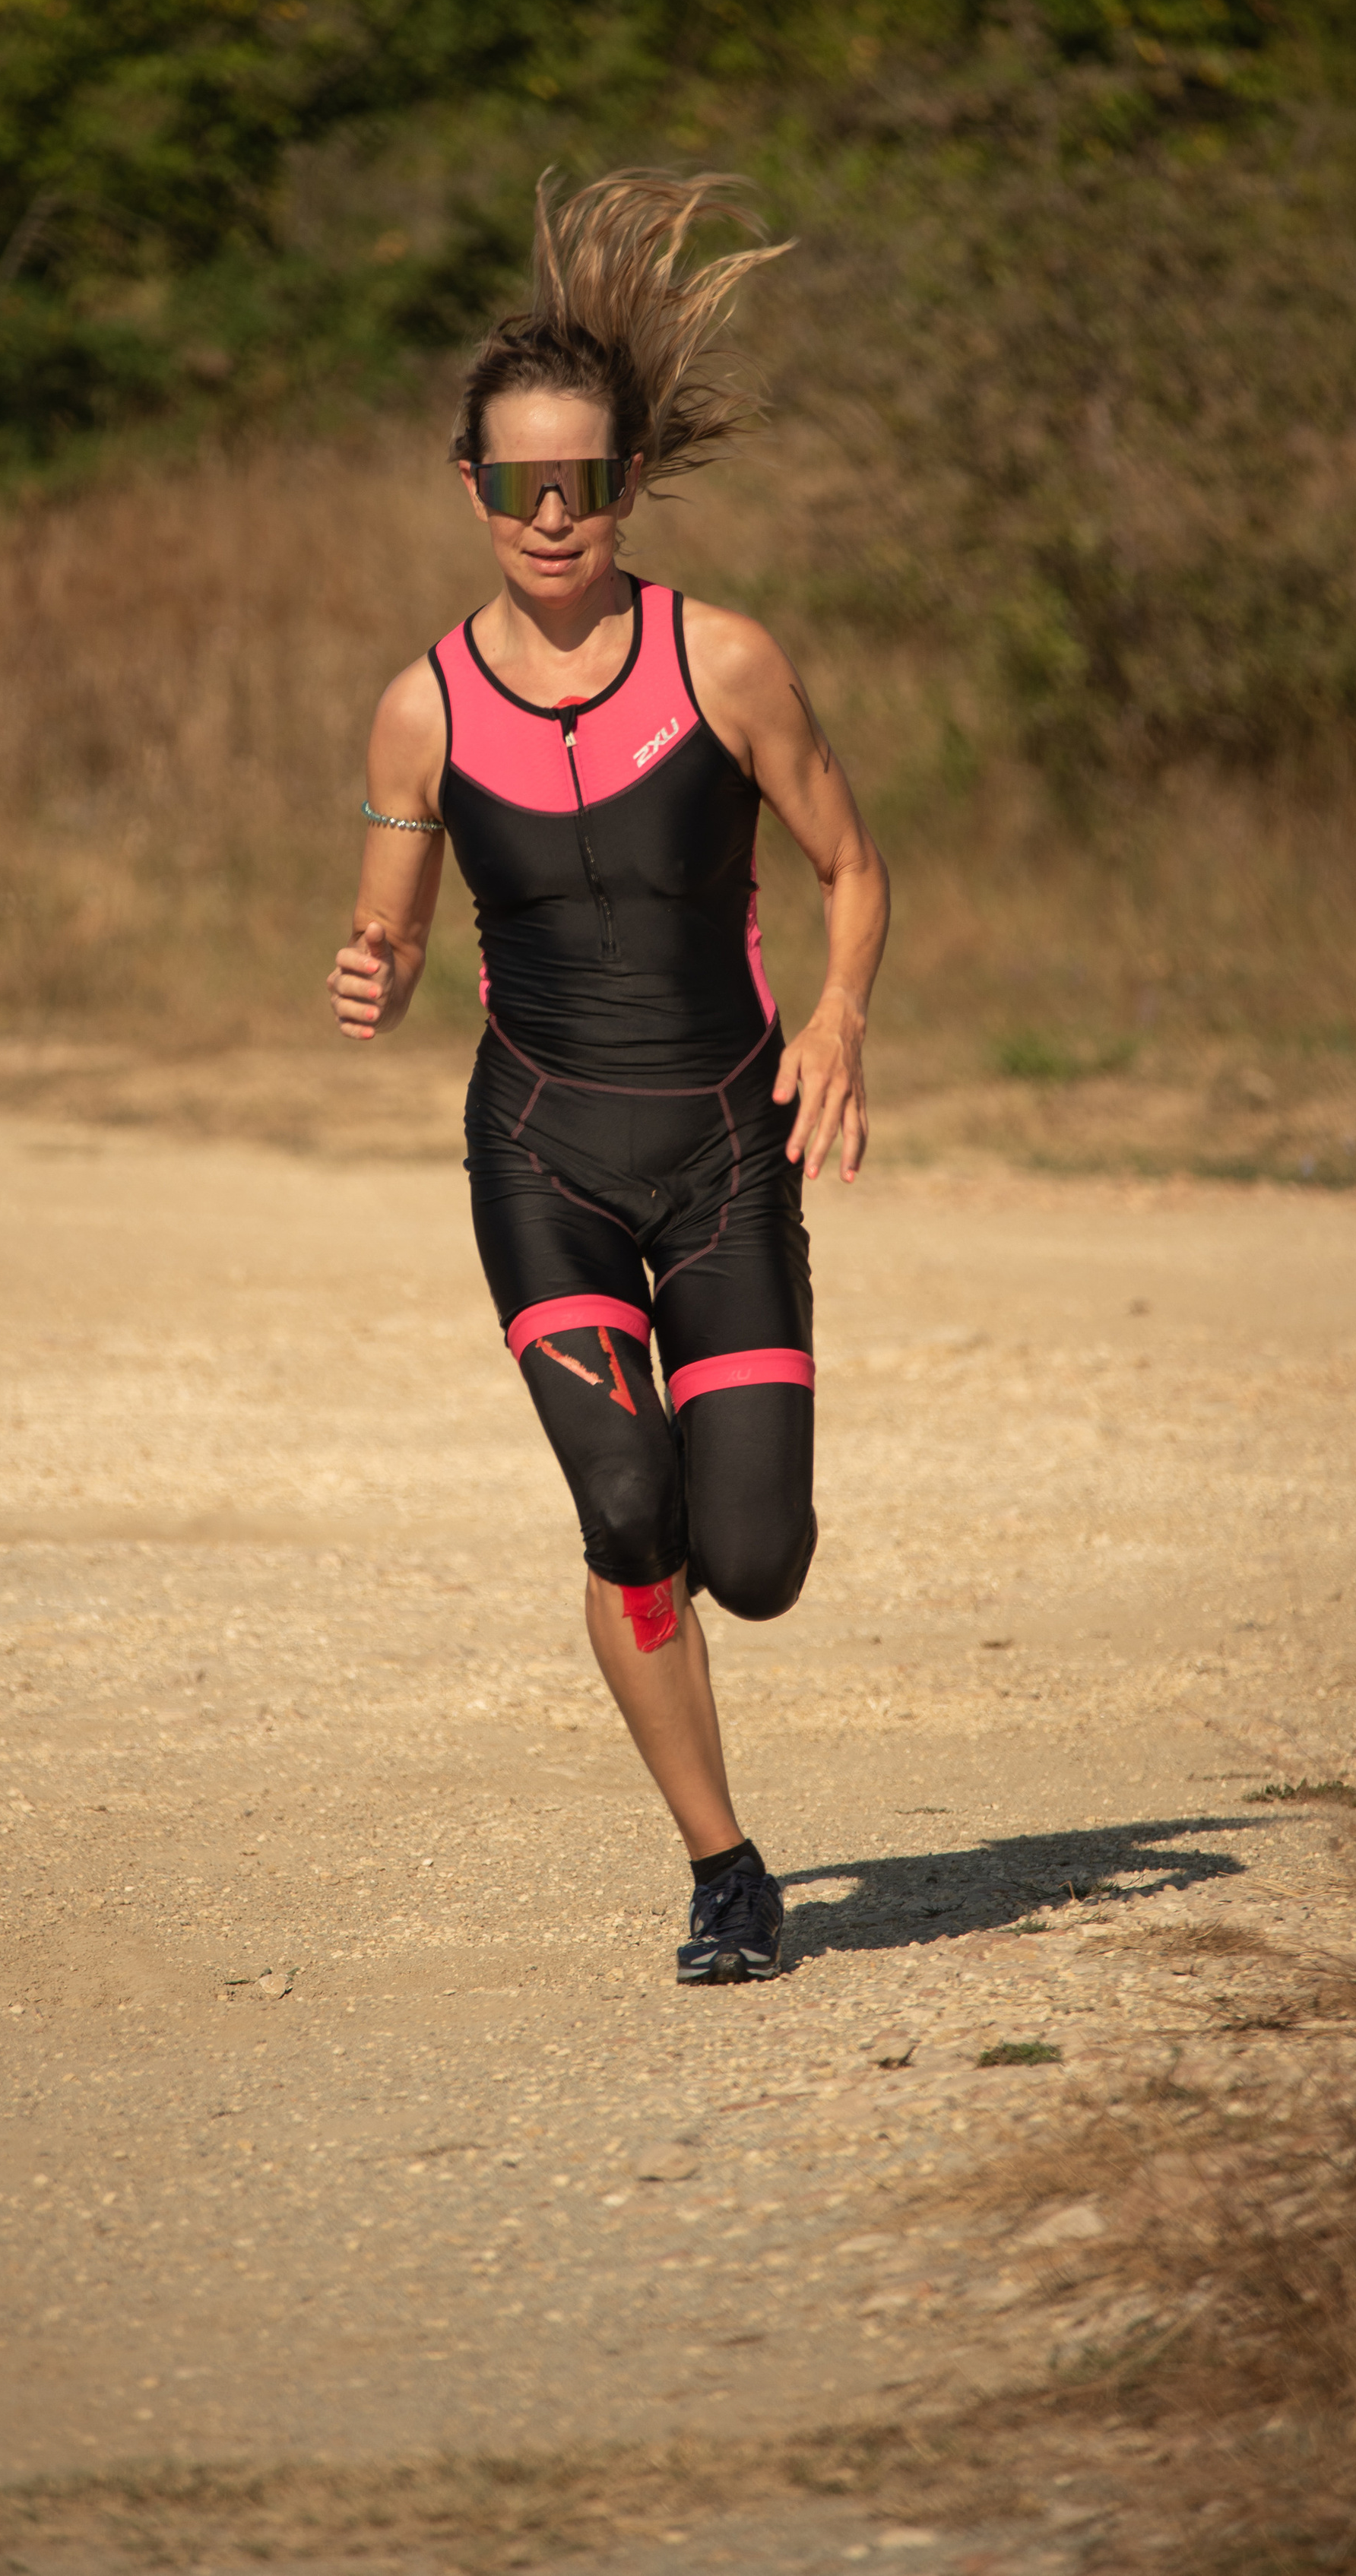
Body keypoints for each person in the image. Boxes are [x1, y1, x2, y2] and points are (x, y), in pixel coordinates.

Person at [328, 172, 889, 1984]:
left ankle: (722, 1592)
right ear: (472, 489)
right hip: (541, 1151)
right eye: (514, 485)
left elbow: (851, 867)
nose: (549, 515)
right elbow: (393, 921)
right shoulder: (420, 705)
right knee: (623, 1511)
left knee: (756, 1555)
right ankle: (723, 1868)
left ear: (625, 482)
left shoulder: (718, 658)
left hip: (727, 1145)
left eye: (580, 482)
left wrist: (836, 1020)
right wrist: (375, 964)